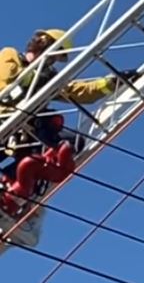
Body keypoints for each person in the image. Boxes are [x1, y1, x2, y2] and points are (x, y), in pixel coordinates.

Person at [0, 29, 131, 214]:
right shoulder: (10, 55)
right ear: (43, 43)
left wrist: (111, 83)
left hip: (24, 129)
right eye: (55, 56)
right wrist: (40, 79)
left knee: (72, 141)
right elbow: (7, 84)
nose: (53, 62)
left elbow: (78, 91)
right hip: (5, 120)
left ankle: (13, 187)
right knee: (41, 123)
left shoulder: (47, 78)